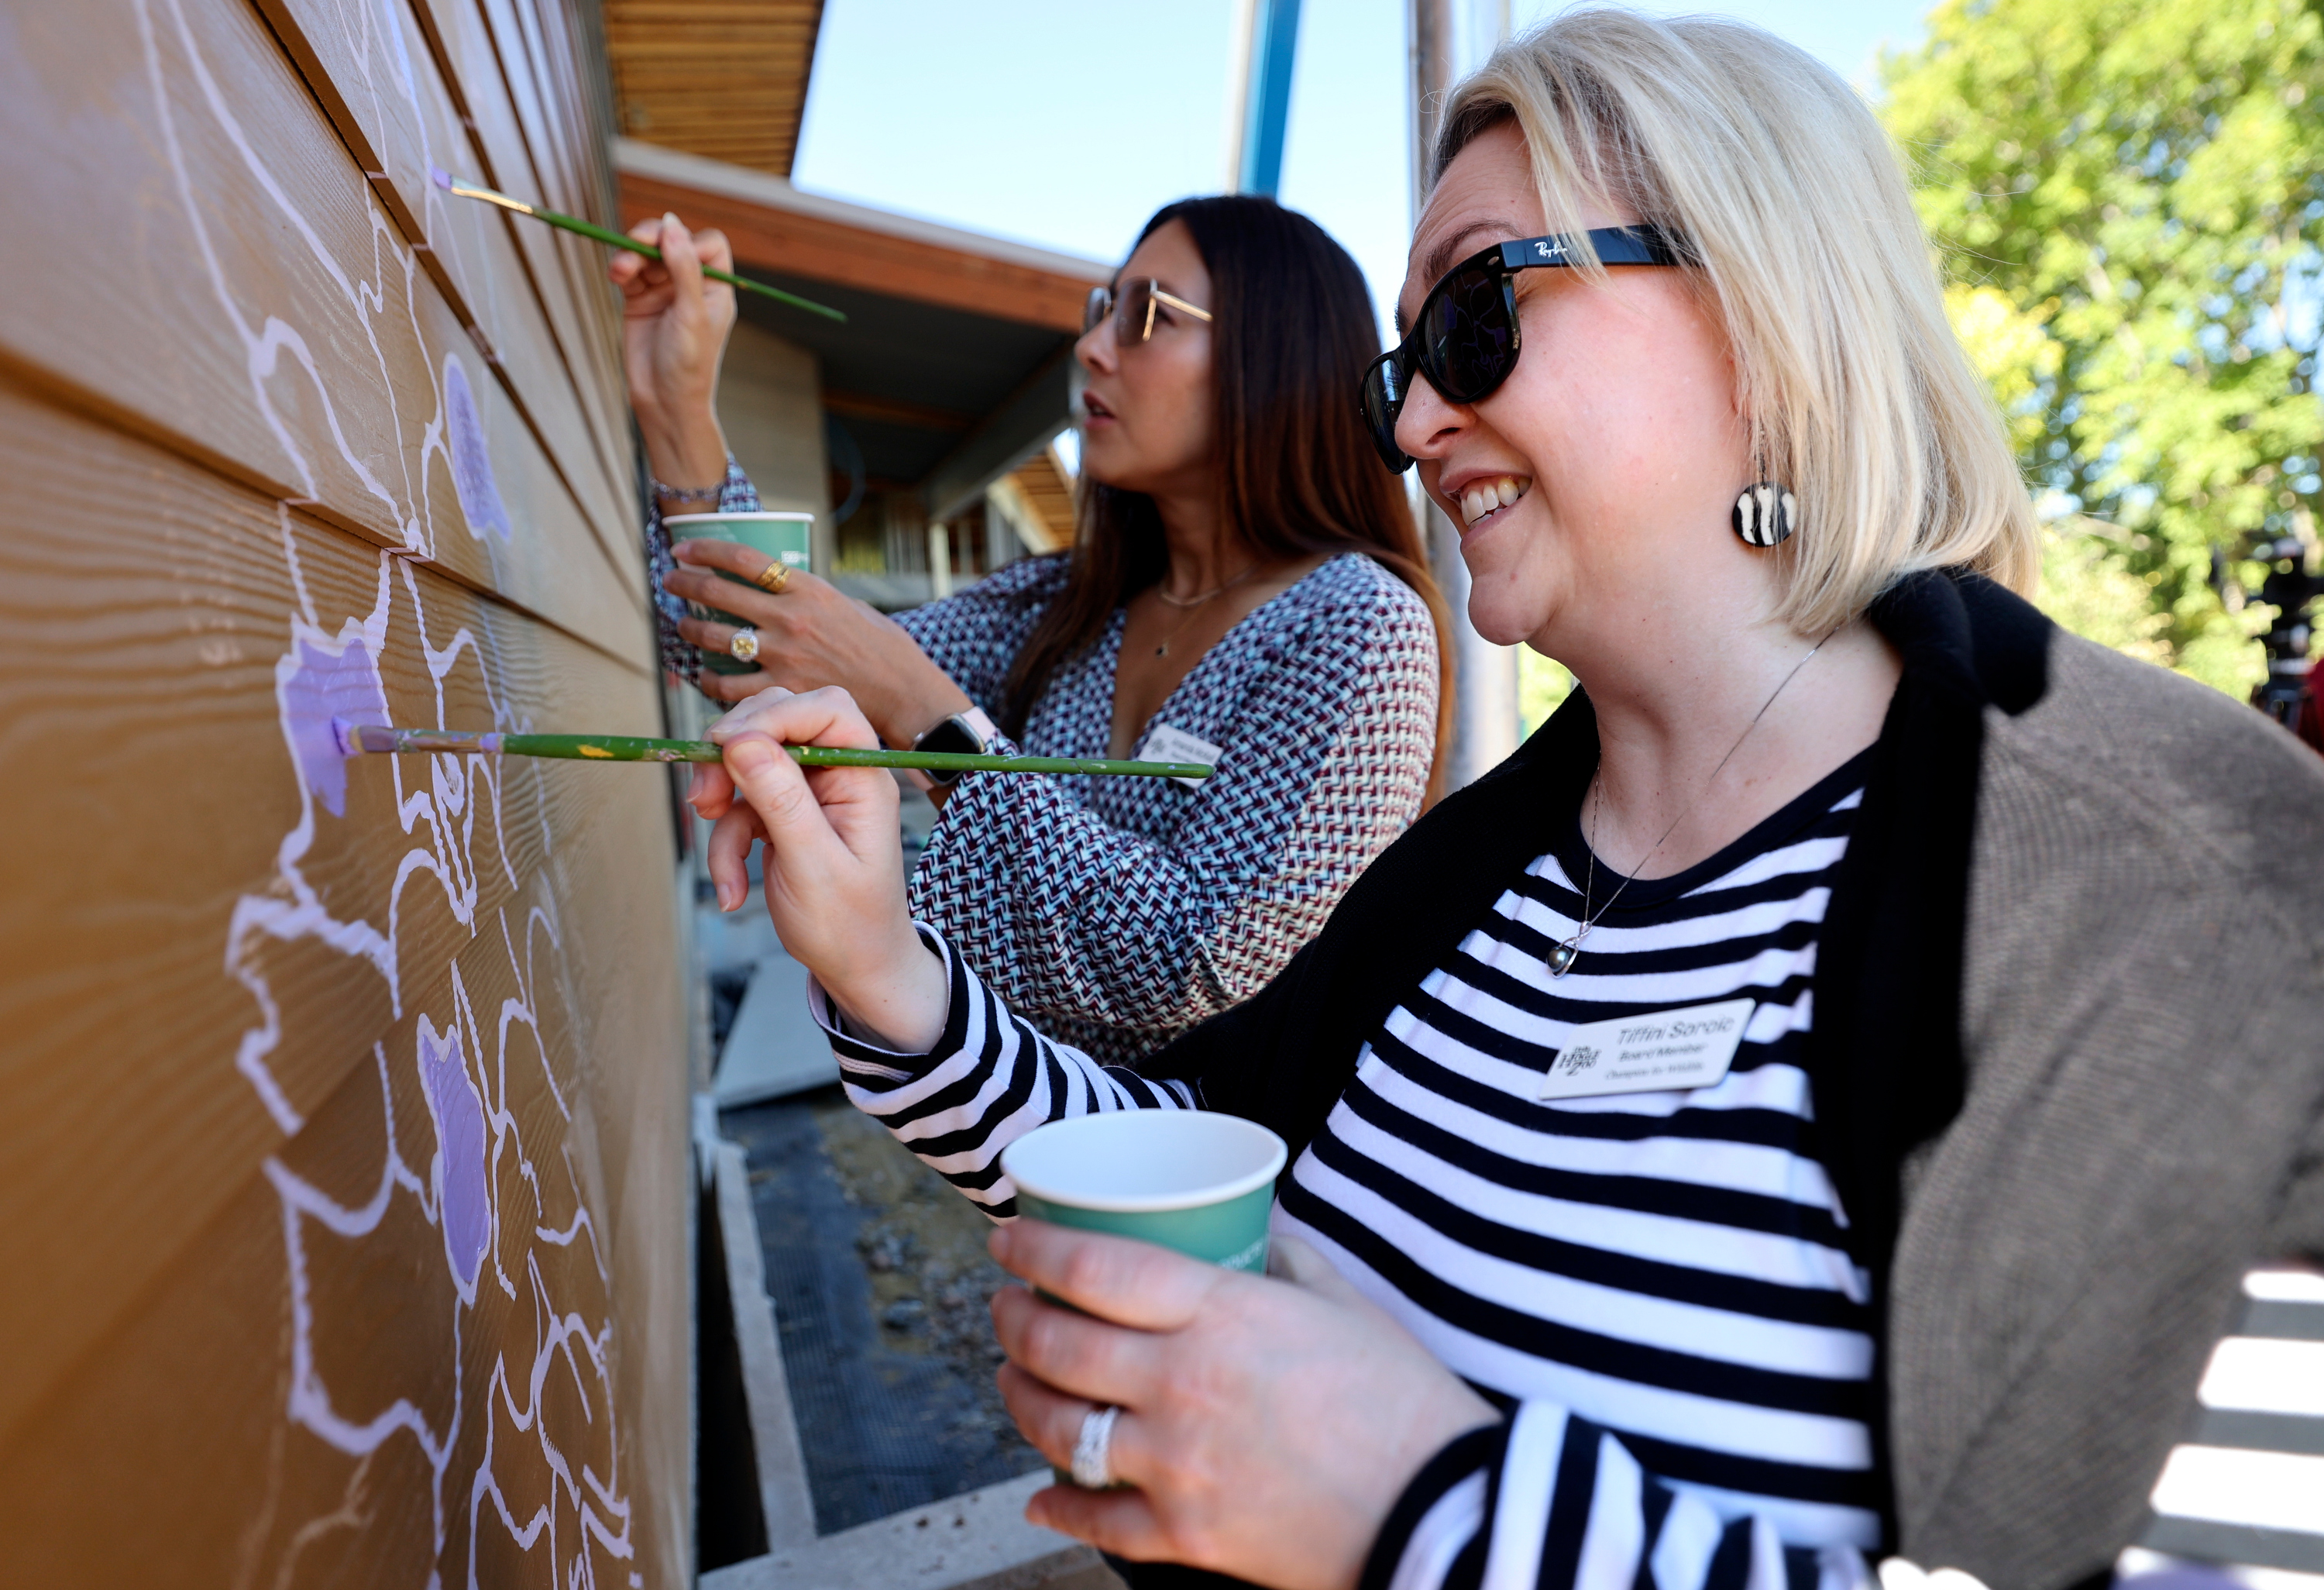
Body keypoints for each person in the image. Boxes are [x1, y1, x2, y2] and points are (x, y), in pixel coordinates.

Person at [681, 12, 2324, 1590]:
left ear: (1763, 298)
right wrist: (885, 971)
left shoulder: (2170, 895)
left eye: (1477, 313)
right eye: (1410, 358)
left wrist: (1424, 1510)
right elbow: (1196, 1175)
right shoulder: (1475, 874)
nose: (1408, 419)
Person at [613, 198, 1448, 1064]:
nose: (1091, 346)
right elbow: (758, 659)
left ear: (1281, 355)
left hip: (1220, 1177)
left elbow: (1199, 957)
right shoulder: (1067, 602)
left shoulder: (1358, 624)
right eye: (1102, 309)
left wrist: (921, 710)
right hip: (1011, 1150)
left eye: (1149, 315)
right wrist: (678, 407)